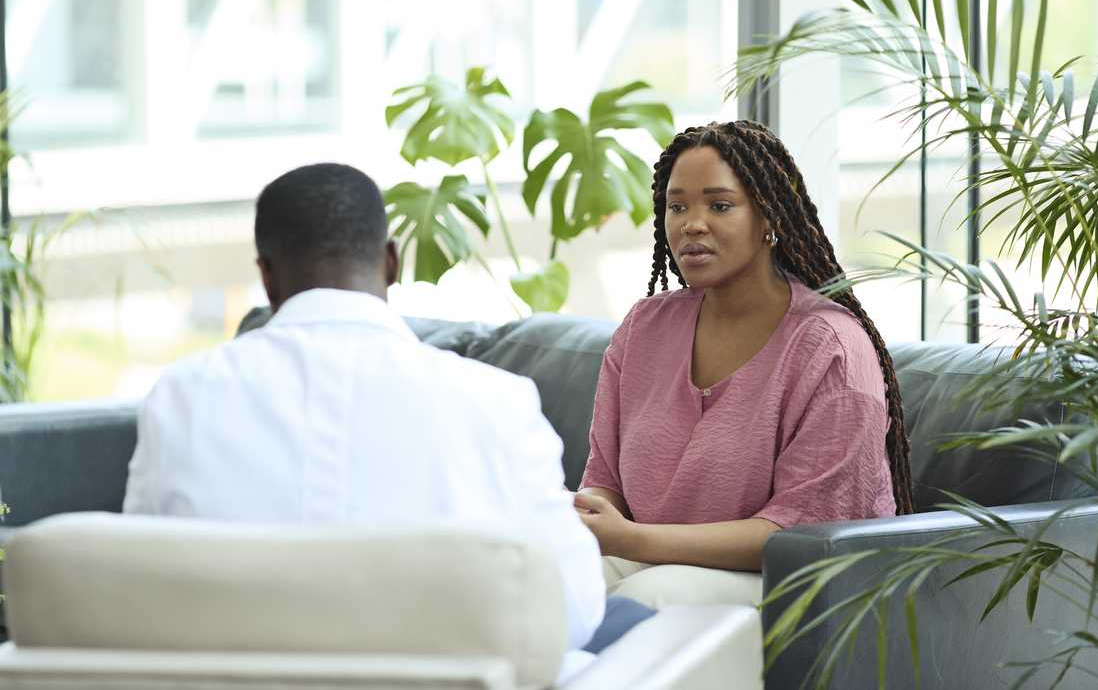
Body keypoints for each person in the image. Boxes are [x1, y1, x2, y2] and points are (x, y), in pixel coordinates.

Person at [123, 162, 618, 665]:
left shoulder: (181, 397)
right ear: (391, 262)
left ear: (267, 276)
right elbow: (571, 611)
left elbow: (138, 592)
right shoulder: (496, 401)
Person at [575, 120, 913, 608]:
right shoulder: (644, 328)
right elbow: (606, 481)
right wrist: (590, 519)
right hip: (651, 562)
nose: (692, 223)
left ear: (769, 217)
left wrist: (631, 540)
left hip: (794, 584)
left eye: (719, 205)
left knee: (642, 601)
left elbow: (802, 534)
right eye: (677, 206)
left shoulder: (830, 348)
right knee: (542, 584)